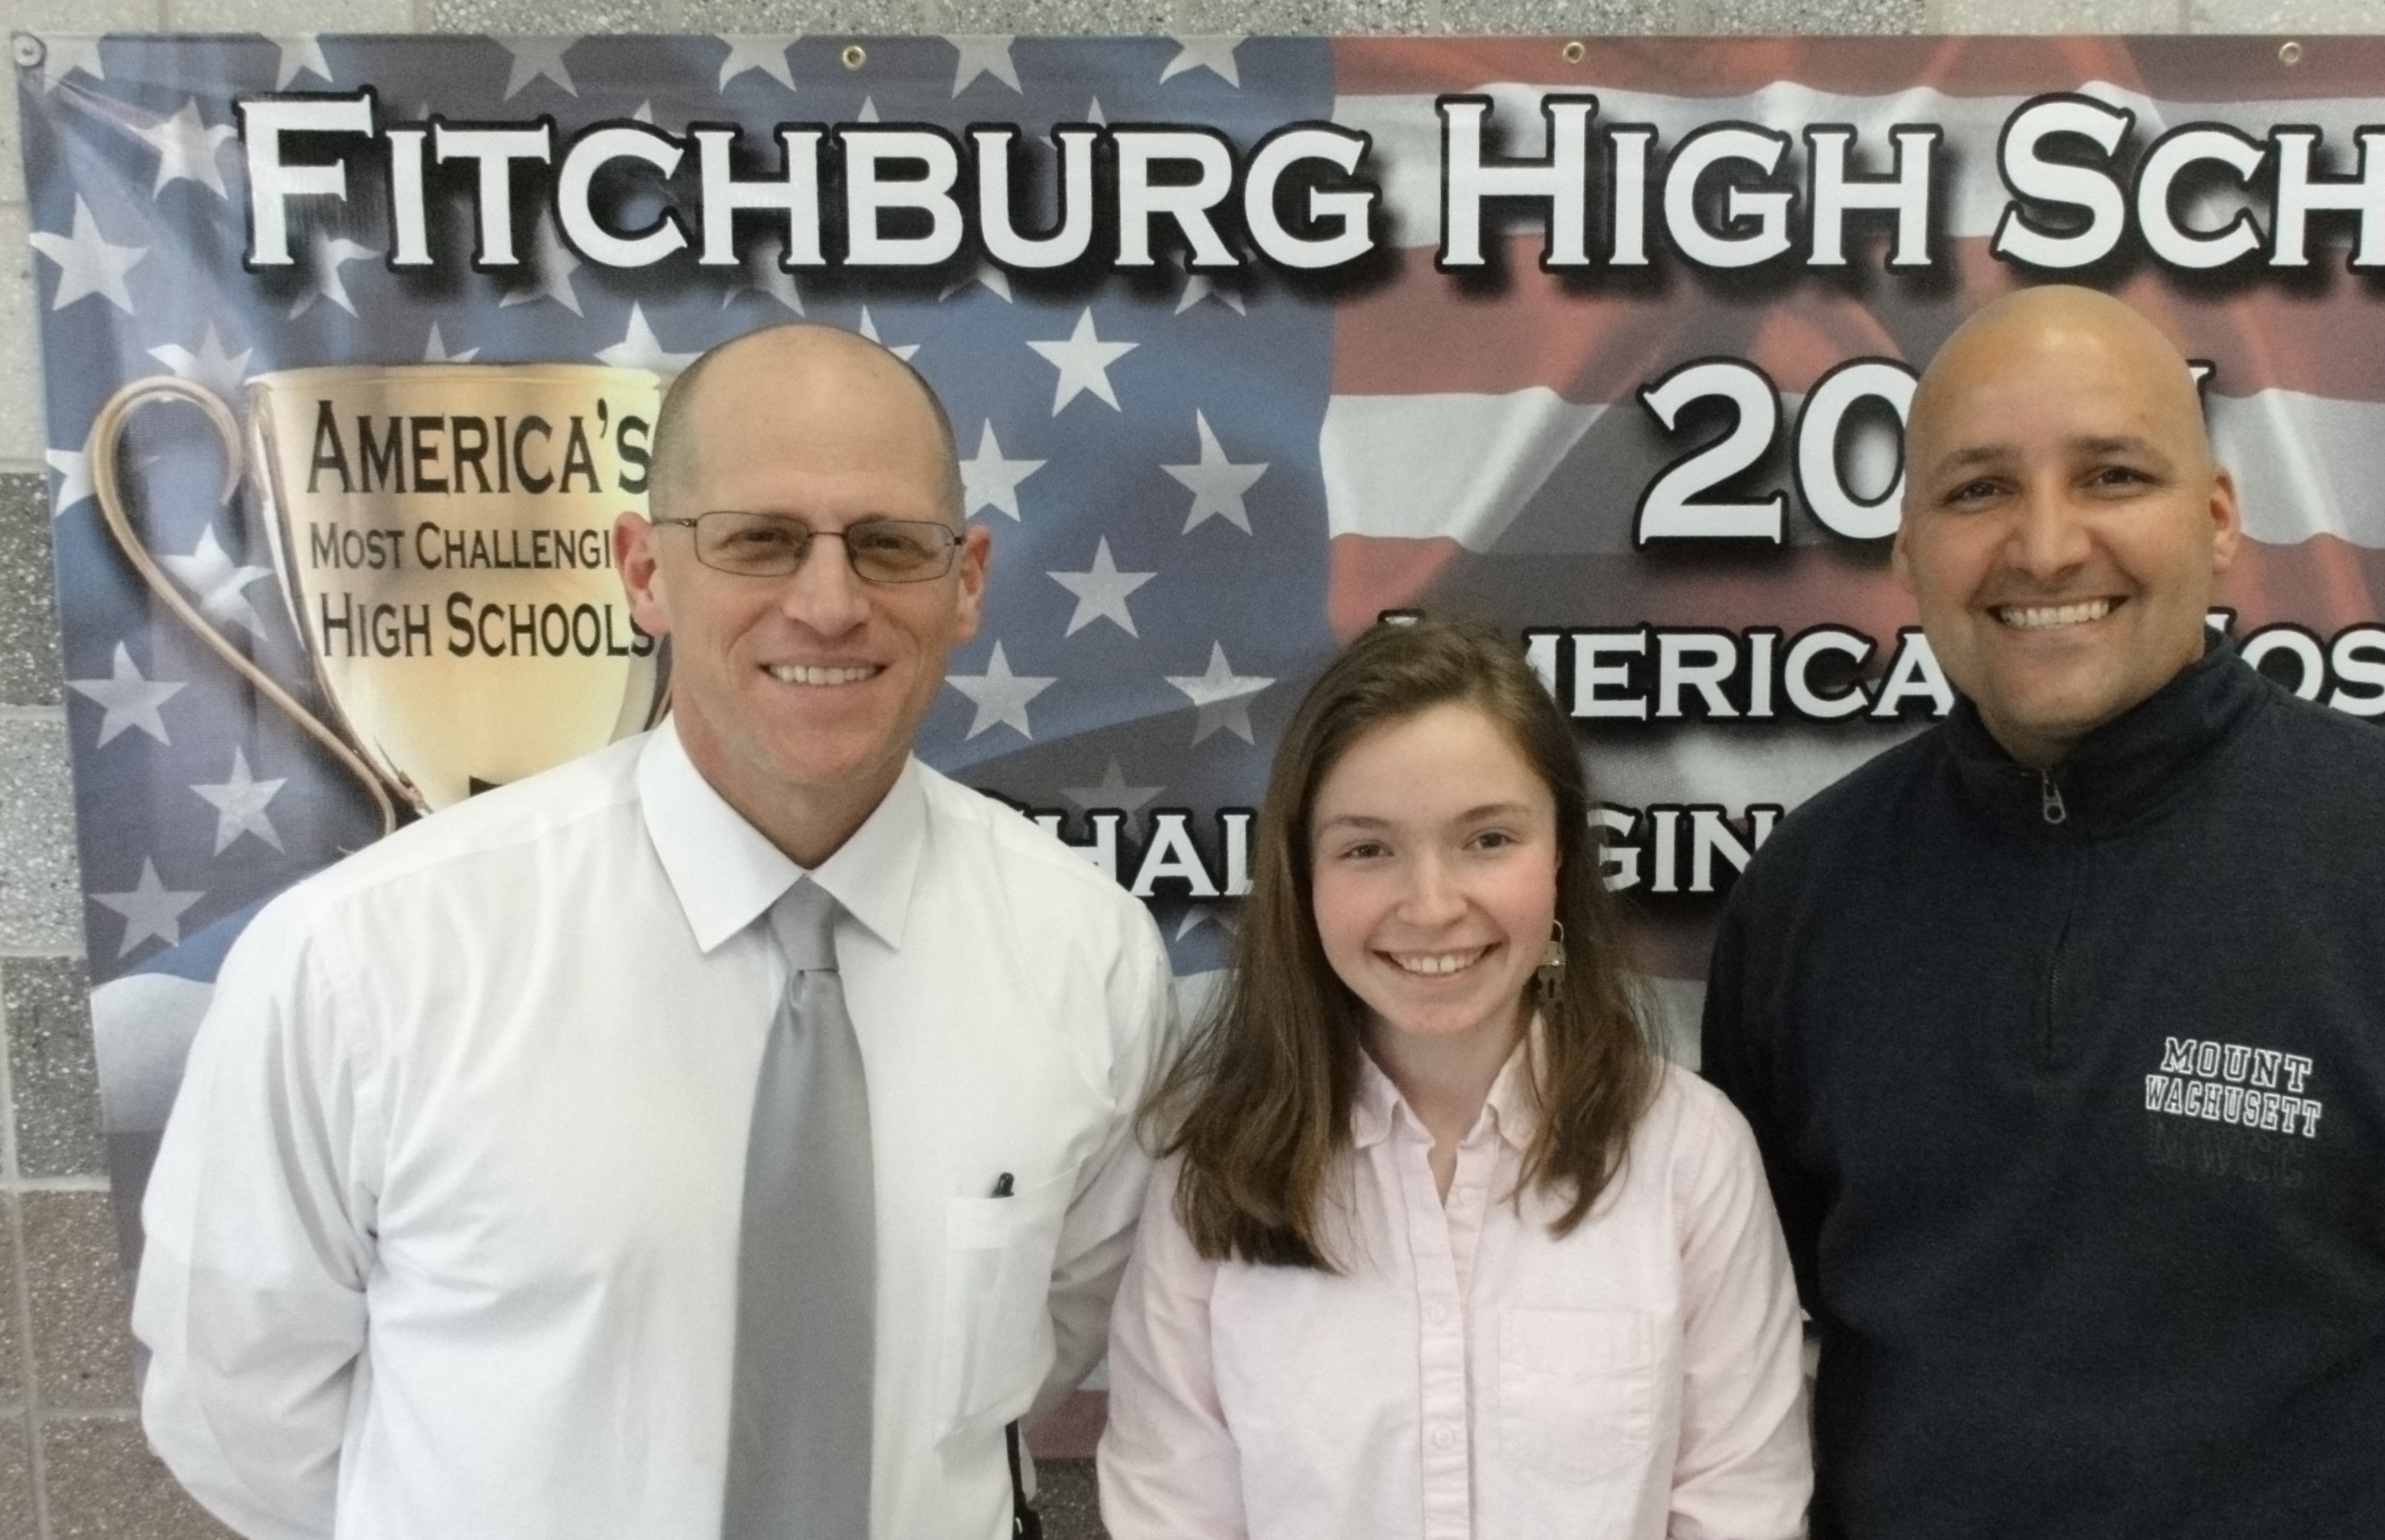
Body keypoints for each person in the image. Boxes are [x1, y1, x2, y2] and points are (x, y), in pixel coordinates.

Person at [1701, 286, 2385, 1539]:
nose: (2042, 547)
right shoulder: (1808, 901)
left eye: (2109, 477)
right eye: (1976, 490)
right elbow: (1777, 1308)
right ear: (1907, 547)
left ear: (2213, 523)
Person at [133, 323, 1172, 1540]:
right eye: (758, 540)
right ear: (642, 570)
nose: (828, 603)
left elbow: (1055, 1333)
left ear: (966, 582)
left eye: (889, 544)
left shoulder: (1084, 956)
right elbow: (238, 1403)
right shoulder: (364, 960)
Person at [1100, 617, 1811, 1540]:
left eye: (1487, 839)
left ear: (1558, 853)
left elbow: (1741, 1508)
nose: (1432, 906)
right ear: (1301, 872)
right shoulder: (1210, 1178)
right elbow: (1171, 1519)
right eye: (1367, 847)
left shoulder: (1689, 1155)